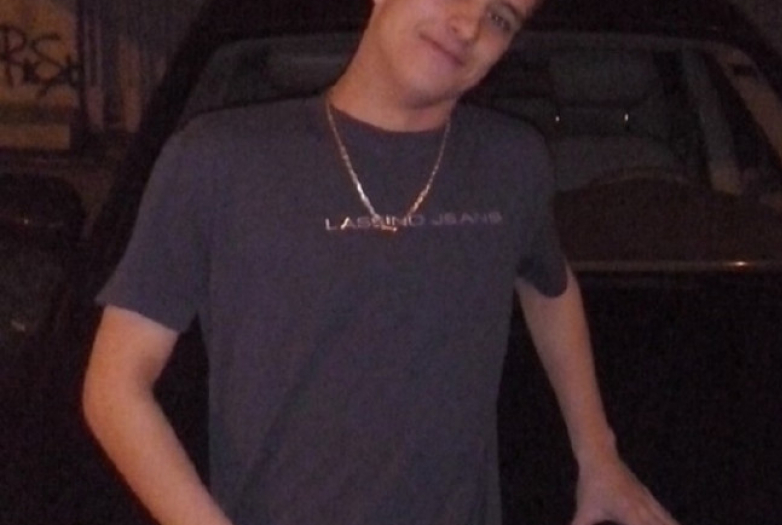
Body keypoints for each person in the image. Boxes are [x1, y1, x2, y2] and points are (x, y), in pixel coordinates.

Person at [82, 0, 680, 524]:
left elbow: (550, 285)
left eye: (501, 17)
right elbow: (115, 386)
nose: (469, 25)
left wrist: (598, 454)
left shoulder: (512, 163)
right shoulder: (219, 160)